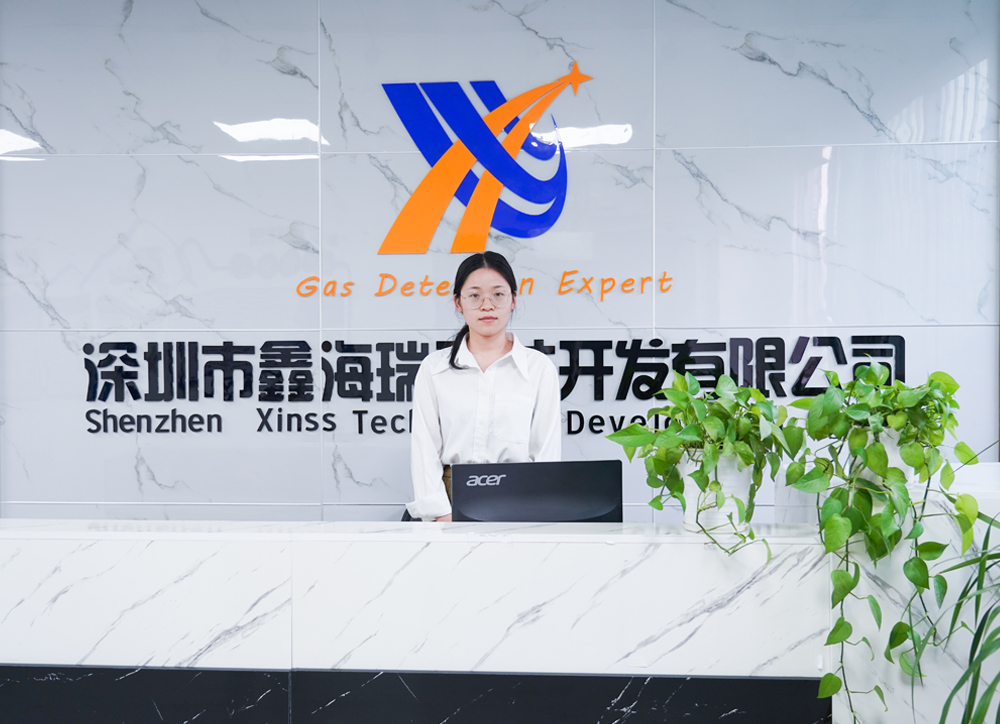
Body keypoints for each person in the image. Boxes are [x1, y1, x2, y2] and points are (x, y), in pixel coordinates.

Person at [407, 251, 562, 521]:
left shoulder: (539, 368)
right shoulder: (434, 368)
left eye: (498, 294)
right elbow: (424, 448)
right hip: (450, 500)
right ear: (458, 302)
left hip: (520, 499)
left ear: (513, 300)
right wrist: (441, 514)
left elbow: (546, 454)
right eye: (475, 295)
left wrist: (535, 513)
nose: (487, 305)